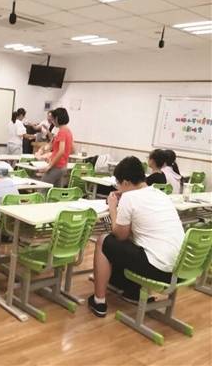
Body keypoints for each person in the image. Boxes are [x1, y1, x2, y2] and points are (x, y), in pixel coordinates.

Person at [88, 156, 184, 318]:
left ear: (125, 182)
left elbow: (120, 234)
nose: (118, 188)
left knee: (104, 240)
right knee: (134, 242)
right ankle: (132, 292)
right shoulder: (160, 194)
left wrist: (113, 207)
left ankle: (99, 301)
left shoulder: (129, 198)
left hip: (159, 270)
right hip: (180, 270)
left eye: (118, 184)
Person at [40, 107, 73, 186]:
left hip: (57, 166)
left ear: (57, 118)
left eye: (52, 119)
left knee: (42, 188)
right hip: (63, 166)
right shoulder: (68, 131)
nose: (52, 121)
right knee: (56, 191)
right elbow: (71, 149)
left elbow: (61, 151)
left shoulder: (62, 132)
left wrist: (50, 165)